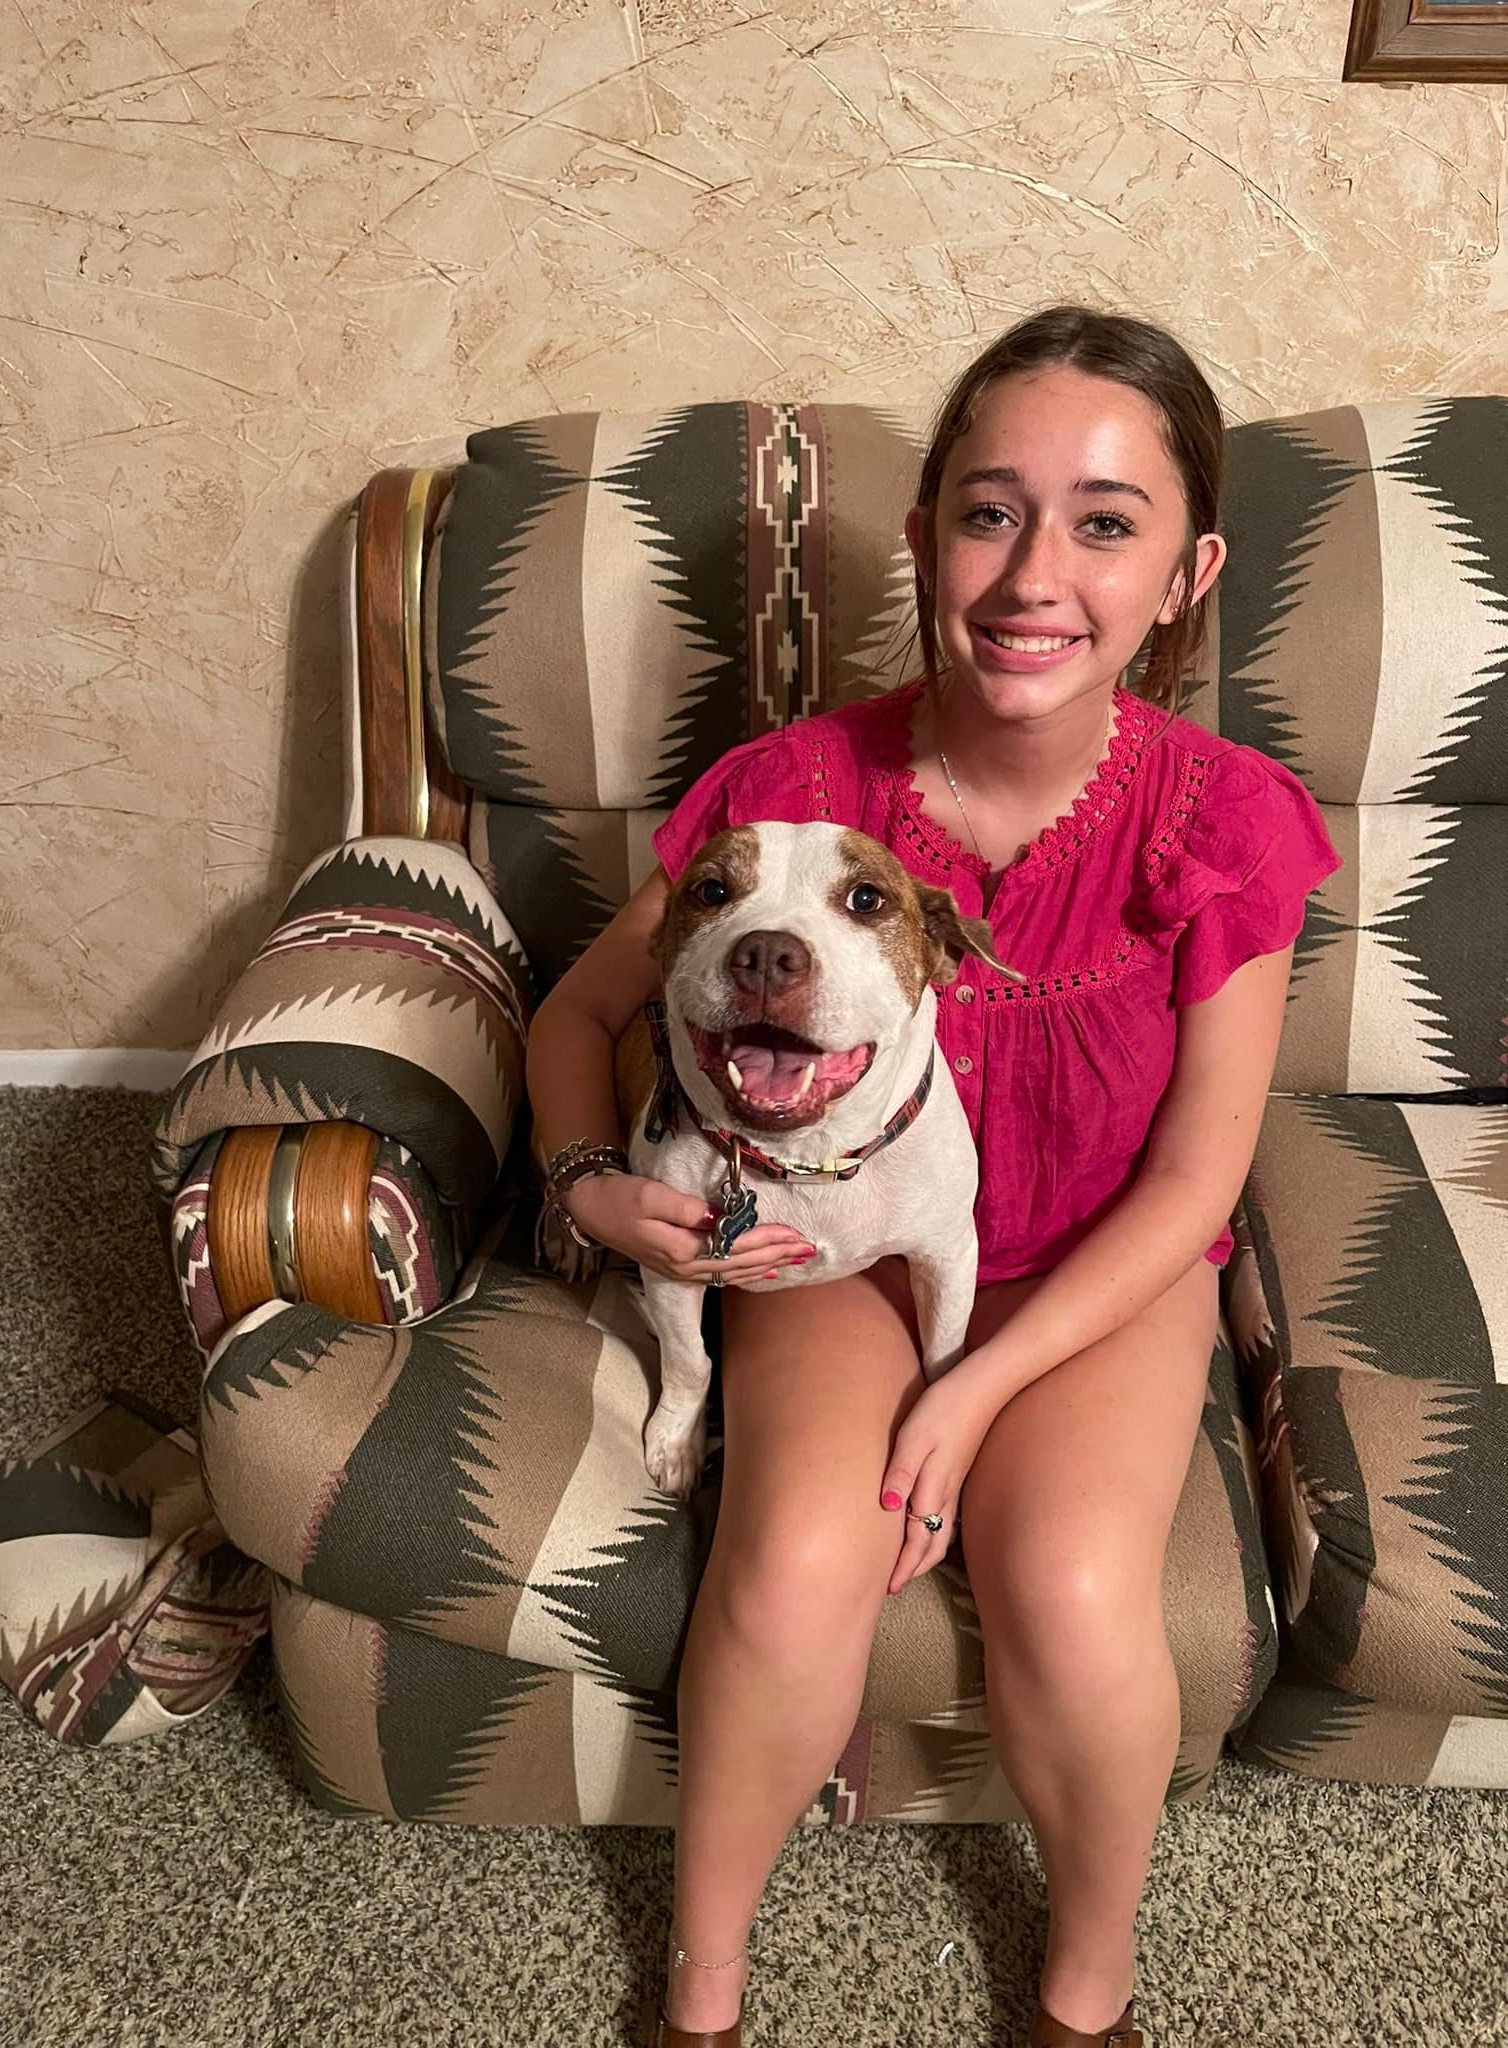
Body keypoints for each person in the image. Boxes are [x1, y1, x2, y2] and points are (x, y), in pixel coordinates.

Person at [524, 302, 1342, 2048]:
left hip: (1102, 1263)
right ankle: (702, 1989)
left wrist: (975, 1401)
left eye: (1106, 524)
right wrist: (591, 1183)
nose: (1036, 571)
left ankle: (1082, 1995)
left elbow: (1201, 1181)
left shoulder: (1224, 819)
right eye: (990, 509)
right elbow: (581, 1013)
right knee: (807, 1550)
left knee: (1068, 1587)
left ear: (1187, 572)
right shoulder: (793, 798)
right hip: (843, 1234)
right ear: (924, 539)